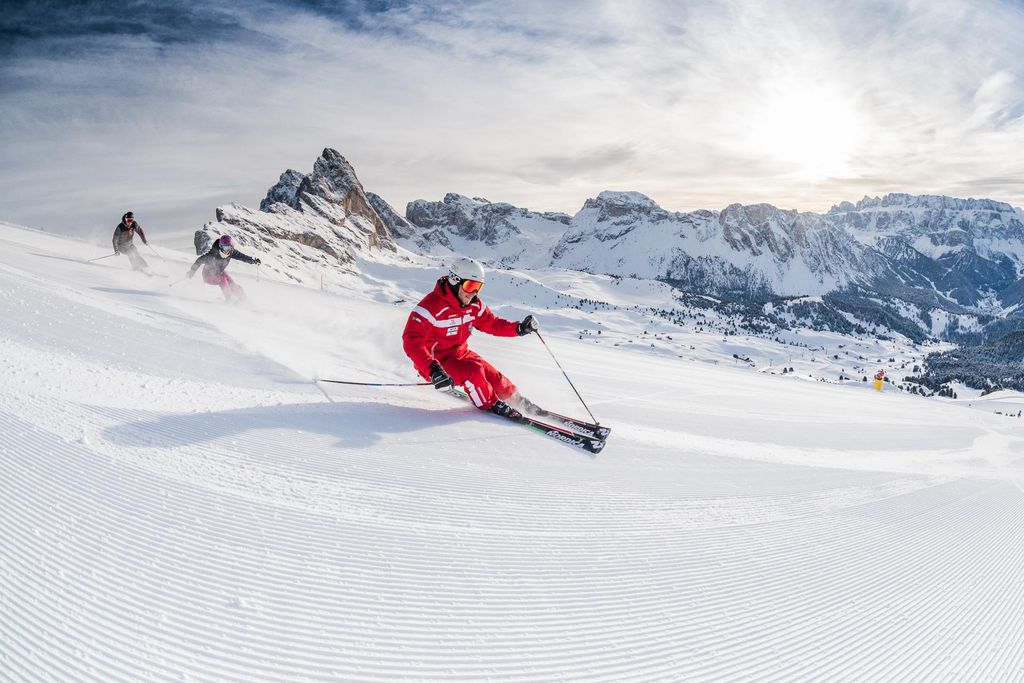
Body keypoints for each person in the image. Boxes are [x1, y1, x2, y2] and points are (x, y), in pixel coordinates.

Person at [402, 257, 540, 417]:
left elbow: (493, 324)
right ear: (455, 281)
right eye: (470, 286)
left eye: (478, 288)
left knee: (494, 377)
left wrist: (519, 328)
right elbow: (411, 341)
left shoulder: (474, 305)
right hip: (436, 364)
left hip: (460, 354)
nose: (473, 293)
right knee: (474, 372)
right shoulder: (430, 308)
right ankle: (491, 404)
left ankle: (517, 401)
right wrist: (432, 369)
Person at [186, 234, 261, 302]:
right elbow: (199, 261)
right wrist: (192, 272)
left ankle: (244, 301)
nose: (227, 251)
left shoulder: (231, 253)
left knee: (234, 285)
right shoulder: (212, 254)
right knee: (223, 280)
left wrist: (253, 261)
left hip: (220, 273)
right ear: (220, 246)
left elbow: (242, 257)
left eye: (229, 248)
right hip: (208, 276)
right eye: (225, 248)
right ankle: (229, 299)